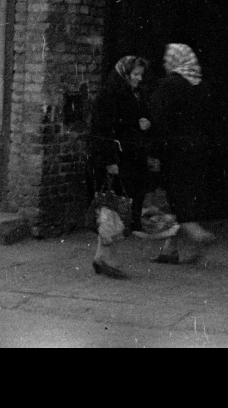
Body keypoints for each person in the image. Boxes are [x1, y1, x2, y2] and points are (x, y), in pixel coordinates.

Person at [148, 43, 217, 265]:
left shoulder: (169, 85)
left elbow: (157, 120)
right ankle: (170, 249)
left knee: (175, 196)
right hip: (199, 147)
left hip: (174, 148)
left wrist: (153, 151)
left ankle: (198, 234)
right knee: (188, 193)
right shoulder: (202, 86)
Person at [89, 55, 154, 279]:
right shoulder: (111, 93)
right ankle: (106, 257)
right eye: (135, 74)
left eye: (140, 75)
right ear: (125, 73)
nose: (138, 78)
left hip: (127, 158)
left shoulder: (133, 93)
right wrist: (110, 161)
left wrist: (144, 122)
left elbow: (130, 121)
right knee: (113, 209)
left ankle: (101, 256)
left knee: (115, 209)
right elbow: (103, 128)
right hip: (115, 159)